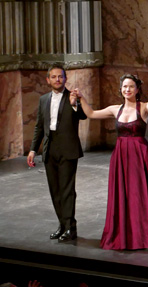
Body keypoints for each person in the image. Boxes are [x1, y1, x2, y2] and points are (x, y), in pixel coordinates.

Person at [76, 74, 148, 250]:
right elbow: (91, 114)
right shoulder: (115, 109)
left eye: (131, 86)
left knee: (139, 195)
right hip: (120, 156)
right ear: (121, 89)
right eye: (124, 86)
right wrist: (81, 98)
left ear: (137, 89)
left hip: (140, 156)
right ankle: (123, 235)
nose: (127, 90)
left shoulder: (144, 108)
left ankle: (142, 237)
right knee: (122, 195)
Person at [27, 63, 87, 242]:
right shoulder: (43, 99)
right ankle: (62, 225)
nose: (57, 79)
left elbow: (83, 116)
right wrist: (32, 149)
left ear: (65, 79)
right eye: (53, 77)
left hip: (68, 149)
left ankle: (70, 228)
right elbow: (39, 126)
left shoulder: (72, 97)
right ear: (48, 80)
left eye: (60, 76)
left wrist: (75, 104)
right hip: (49, 148)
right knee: (55, 190)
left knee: (67, 190)